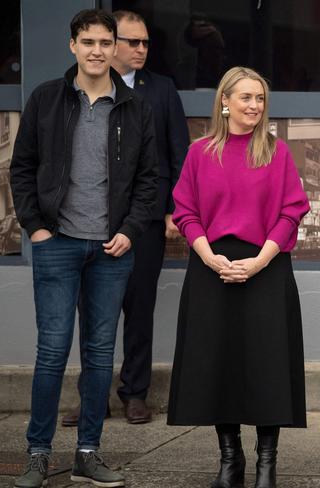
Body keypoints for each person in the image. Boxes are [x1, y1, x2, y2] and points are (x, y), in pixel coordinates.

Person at [9, 8, 157, 488]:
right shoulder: (47, 98)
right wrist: (35, 227)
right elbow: (23, 166)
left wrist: (132, 229)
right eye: (87, 41)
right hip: (58, 243)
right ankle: (37, 454)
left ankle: (87, 454)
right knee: (52, 351)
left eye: (104, 42)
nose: (97, 50)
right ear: (72, 45)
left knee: (99, 355)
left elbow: (150, 180)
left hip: (113, 249)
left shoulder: (136, 107)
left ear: (115, 47)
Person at [167, 66, 310, 488]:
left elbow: (291, 210)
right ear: (224, 102)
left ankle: (268, 464)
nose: (254, 106)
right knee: (217, 366)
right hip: (212, 266)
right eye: (246, 97)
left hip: (265, 266)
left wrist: (261, 260)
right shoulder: (200, 153)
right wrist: (210, 258)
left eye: (260, 99)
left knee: (267, 365)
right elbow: (185, 211)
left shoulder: (276, 152)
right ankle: (231, 461)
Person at [60, 9, 190, 428]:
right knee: (93, 312)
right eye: (133, 42)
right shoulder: (77, 89)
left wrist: (175, 209)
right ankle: (91, 397)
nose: (141, 49)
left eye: (146, 42)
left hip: (146, 218)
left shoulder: (163, 89)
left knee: (139, 308)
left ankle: (135, 393)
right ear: (111, 46)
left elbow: (178, 152)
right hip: (88, 220)